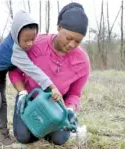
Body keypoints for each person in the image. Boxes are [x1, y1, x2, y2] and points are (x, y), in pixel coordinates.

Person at [9, 2, 90, 145]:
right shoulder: (35, 44)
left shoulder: (82, 62)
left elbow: (75, 94)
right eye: (68, 38)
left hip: (56, 104)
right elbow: (14, 70)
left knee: (59, 139)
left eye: (77, 41)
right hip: (30, 98)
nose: (71, 44)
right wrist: (22, 92)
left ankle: (56, 130)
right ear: (59, 27)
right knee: (24, 137)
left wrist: (70, 108)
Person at [0, 10, 62, 147]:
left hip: (0, 72)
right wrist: (52, 87)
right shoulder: (16, 50)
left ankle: (4, 133)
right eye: (26, 40)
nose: (30, 44)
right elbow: (34, 71)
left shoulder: (17, 36)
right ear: (16, 34)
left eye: (32, 39)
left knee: (3, 102)